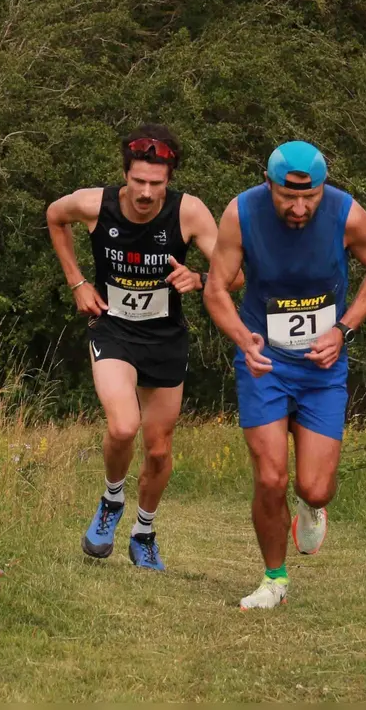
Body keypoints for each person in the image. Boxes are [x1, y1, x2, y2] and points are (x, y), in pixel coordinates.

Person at [203, 140, 366, 609]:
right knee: (270, 479)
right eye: (288, 197)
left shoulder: (347, 214)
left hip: (322, 366)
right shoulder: (241, 213)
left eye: (309, 196)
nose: (299, 207)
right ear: (268, 184)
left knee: (314, 485)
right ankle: (275, 580)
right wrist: (241, 338)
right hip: (263, 361)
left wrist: (343, 330)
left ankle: (312, 506)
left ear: (322, 187)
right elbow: (215, 290)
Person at [45, 124, 226, 570]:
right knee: (124, 426)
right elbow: (53, 215)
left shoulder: (190, 213)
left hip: (165, 338)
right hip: (113, 330)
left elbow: (235, 272)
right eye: (138, 181)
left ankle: (144, 532)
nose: (146, 193)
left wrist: (200, 278)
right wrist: (77, 282)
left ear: (170, 179)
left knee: (159, 448)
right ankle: (111, 501)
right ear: (125, 174)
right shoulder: (94, 205)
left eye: (156, 184)